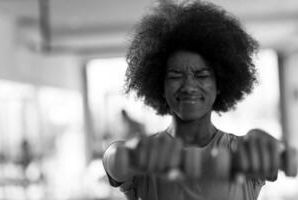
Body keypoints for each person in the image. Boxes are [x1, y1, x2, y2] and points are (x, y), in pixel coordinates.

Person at [103, 1, 290, 200]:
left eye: (201, 75)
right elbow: (114, 161)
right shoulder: (143, 156)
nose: (189, 86)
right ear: (161, 86)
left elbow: (276, 160)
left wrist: (272, 150)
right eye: (175, 76)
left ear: (219, 85)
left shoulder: (242, 151)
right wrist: (126, 155)